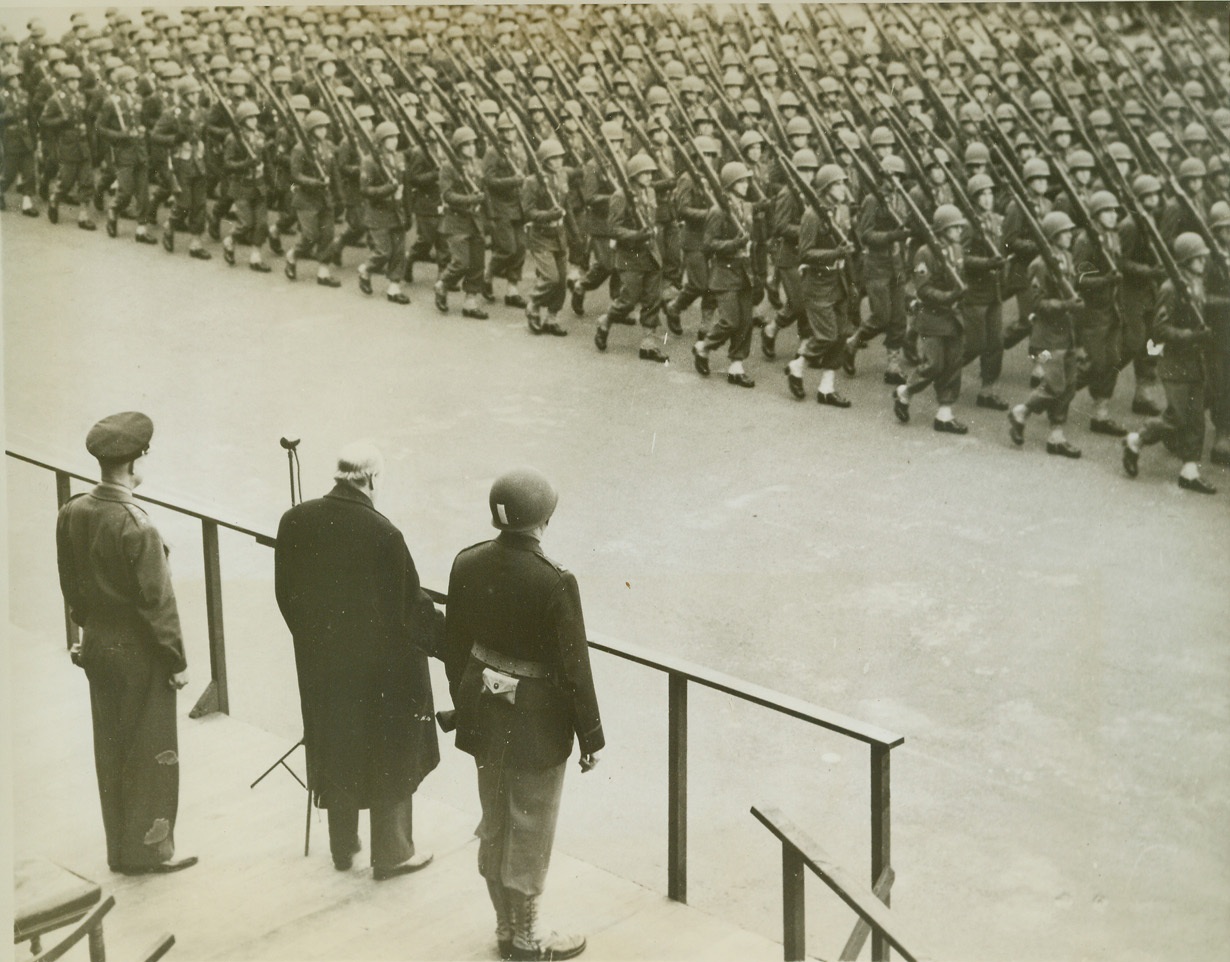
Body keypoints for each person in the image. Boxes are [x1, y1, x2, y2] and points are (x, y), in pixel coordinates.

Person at [443, 467, 603, 962]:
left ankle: (504, 927)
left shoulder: (466, 562)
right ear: (545, 519)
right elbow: (574, 669)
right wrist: (591, 737)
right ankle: (528, 940)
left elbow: (454, 647)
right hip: (536, 726)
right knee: (530, 828)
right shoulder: (555, 580)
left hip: (483, 716)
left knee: (495, 819)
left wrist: (468, 697)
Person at [274, 441, 442, 880]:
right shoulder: (384, 533)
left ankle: (342, 847)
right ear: (370, 480)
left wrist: (315, 643)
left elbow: (286, 595)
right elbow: (409, 610)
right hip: (380, 672)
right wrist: (451, 642)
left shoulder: (295, 521)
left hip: (324, 667)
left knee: (337, 745)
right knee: (392, 750)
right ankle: (393, 853)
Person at [55, 411, 196, 875]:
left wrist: (87, 631)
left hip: (97, 645)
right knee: (152, 752)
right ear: (138, 460)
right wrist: (176, 660)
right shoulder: (138, 524)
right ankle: (152, 851)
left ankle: (119, 851)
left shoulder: (72, 510)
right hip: (140, 654)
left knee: (110, 748)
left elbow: (70, 586)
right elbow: (158, 603)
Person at [1122, 234, 1219, 494]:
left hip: (1194, 362)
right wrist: (1191, 336)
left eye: (1203, 257)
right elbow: (1160, 328)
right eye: (1197, 258)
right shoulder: (1172, 288)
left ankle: (1189, 470)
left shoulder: (1197, 282)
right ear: (1186, 260)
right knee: (1176, 417)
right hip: (1175, 363)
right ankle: (1136, 439)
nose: (1202, 261)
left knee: (1196, 419)